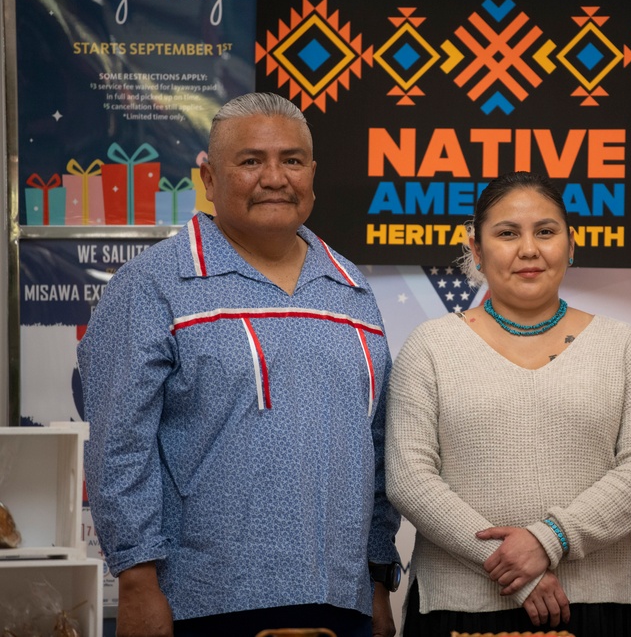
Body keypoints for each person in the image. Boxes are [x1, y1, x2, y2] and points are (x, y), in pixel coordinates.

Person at [78, 92, 401, 637]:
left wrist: (374, 577)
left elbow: (375, 445)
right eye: (250, 161)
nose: (274, 177)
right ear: (208, 179)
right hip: (204, 604)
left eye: (291, 161)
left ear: (313, 174)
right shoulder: (152, 285)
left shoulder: (350, 288)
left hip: (341, 601)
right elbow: (119, 448)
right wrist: (136, 582)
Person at [384, 171, 631, 636]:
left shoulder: (623, 347)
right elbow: (409, 479)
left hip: (597, 605)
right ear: (476, 249)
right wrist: (513, 566)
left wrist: (550, 539)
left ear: (571, 245)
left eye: (546, 232)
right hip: (460, 607)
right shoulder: (430, 346)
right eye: (507, 233)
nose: (529, 249)